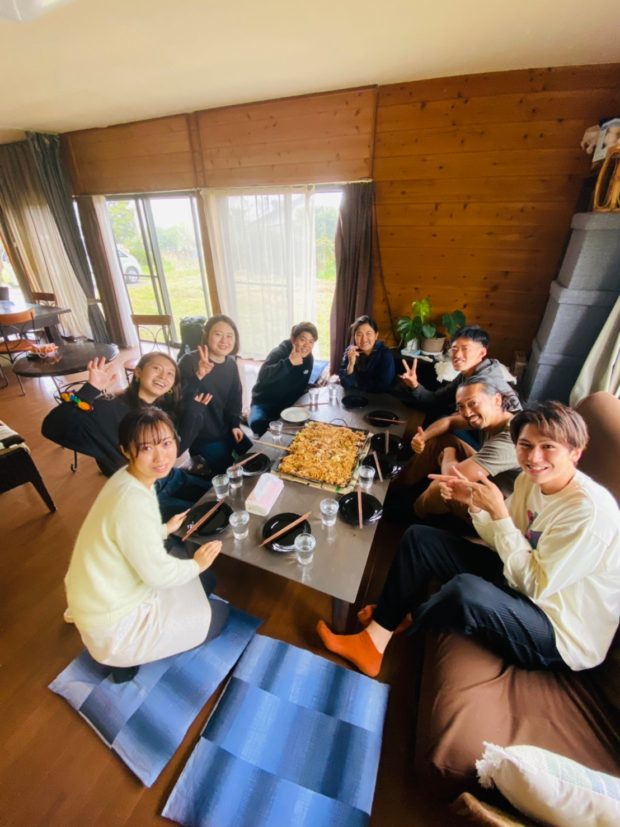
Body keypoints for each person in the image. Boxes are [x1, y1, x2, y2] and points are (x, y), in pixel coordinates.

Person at [317, 401, 620, 678]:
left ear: (575, 452)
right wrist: (475, 505)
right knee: (420, 538)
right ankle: (376, 637)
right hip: (522, 580)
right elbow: (504, 541)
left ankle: (406, 617)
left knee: (465, 591)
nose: (534, 457)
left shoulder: (588, 515)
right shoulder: (530, 480)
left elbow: (535, 586)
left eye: (548, 447)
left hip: (559, 629)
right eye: (525, 445)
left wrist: (498, 514)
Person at [64, 408, 223, 682]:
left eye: (166, 443)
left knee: (206, 583)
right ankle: (121, 660)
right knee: (218, 617)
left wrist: (164, 529)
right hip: (113, 620)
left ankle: (124, 651)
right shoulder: (132, 501)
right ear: (125, 450)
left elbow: (122, 534)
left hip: (96, 593)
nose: (161, 457)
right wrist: (196, 564)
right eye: (146, 448)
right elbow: (158, 574)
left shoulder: (125, 477)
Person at [41, 352, 213, 520]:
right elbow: (51, 427)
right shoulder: (109, 409)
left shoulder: (162, 408)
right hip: (141, 495)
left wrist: (197, 378)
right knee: (206, 516)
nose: (163, 376)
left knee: (216, 495)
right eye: (156, 368)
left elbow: (177, 444)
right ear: (138, 372)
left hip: (168, 477)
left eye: (170, 374)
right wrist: (90, 389)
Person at [390, 377, 520, 523]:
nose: (467, 413)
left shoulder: (510, 440)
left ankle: (413, 514)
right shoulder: (494, 416)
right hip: (490, 480)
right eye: (461, 406)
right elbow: (449, 421)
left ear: (497, 400)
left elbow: (452, 476)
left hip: (501, 509)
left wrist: (448, 453)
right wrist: (423, 437)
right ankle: (396, 487)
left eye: (473, 403)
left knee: (443, 486)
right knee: (442, 440)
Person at [178, 314, 253, 473]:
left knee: (255, 457)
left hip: (226, 428)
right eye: (218, 334)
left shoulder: (231, 363)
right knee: (231, 471)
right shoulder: (190, 361)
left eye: (229, 336)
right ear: (206, 335)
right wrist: (198, 376)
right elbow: (179, 400)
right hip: (202, 435)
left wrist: (235, 424)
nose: (224, 340)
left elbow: (235, 397)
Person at [399, 325, 521, 420]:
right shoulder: (466, 374)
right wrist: (414, 385)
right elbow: (437, 400)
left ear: (482, 353)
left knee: (442, 420)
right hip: (478, 429)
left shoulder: (486, 381)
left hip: (499, 439)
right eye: (454, 349)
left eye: (465, 349)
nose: (457, 355)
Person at [248, 322, 318, 437]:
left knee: (307, 423)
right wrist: (289, 363)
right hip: (264, 402)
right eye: (303, 340)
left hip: (286, 405)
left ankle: (276, 425)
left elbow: (302, 385)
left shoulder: (309, 359)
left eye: (311, 342)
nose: (307, 345)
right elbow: (263, 376)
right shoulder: (279, 351)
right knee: (256, 423)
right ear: (294, 339)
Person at [339, 315, 395, 393]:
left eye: (368, 333)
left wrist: (356, 383)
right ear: (354, 337)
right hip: (353, 396)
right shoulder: (350, 351)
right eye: (359, 334)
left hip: (378, 398)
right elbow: (344, 383)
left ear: (376, 335)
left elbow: (383, 385)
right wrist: (351, 365)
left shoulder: (385, 354)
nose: (364, 339)